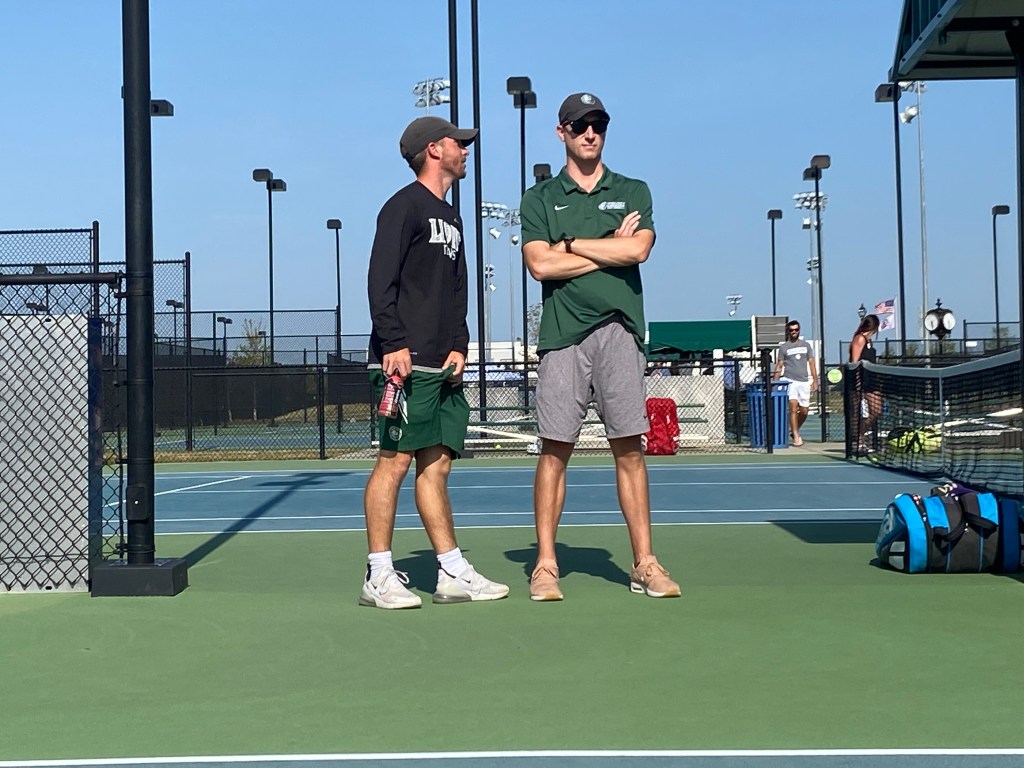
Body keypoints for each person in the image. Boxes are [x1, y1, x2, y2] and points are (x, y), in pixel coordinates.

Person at [519, 92, 681, 602]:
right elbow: (539, 265)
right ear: (561, 132)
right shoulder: (539, 198)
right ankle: (546, 564)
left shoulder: (633, 189)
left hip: (620, 331)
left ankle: (645, 563)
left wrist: (570, 244)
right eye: (579, 125)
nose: (590, 133)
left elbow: (639, 249)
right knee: (555, 450)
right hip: (562, 336)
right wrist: (609, 248)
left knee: (629, 449)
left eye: (599, 124)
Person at [360, 116, 510, 609]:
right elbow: (379, 280)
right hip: (405, 361)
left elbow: (457, 290)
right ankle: (378, 574)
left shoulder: (453, 217)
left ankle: (451, 571)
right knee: (394, 461)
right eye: (457, 143)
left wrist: (460, 345)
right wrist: (393, 341)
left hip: (443, 364)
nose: (465, 150)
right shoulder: (402, 207)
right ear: (432, 150)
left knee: (437, 465)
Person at [772, 319, 818, 447]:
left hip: (804, 381)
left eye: (796, 330)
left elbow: (811, 363)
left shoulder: (806, 346)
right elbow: (779, 365)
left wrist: (815, 380)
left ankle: (794, 429)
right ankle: (796, 436)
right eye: (791, 330)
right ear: (788, 331)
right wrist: (775, 382)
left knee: (804, 411)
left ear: (799, 330)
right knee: (793, 407)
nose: (794, 332)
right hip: (790, 380)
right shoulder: (784, 347)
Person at [848, 313, 881, 453]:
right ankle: (859, 442)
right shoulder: (859, 339)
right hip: (859, 381)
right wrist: (858, 383)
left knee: (877, 410)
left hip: (871, 380)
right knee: (857, 413)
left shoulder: (869, 341)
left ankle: (859, 434)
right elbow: (854, 362)